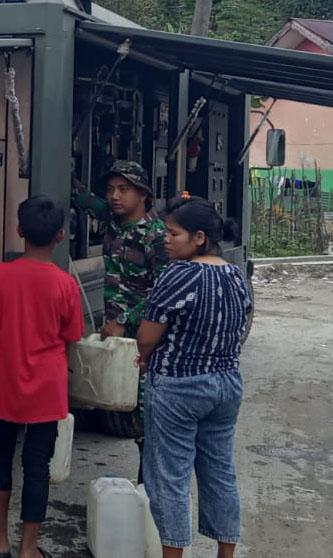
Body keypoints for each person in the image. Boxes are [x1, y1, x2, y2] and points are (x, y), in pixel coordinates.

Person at [0, 195, 84, 558]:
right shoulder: (66, 285)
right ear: (60, 236)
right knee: (37, 465)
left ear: (18, 230)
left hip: (6, 385)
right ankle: (29, 549)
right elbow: (71, 339)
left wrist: (6, 362)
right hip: (48, 389)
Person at [136, 196, 252, 558]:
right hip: (226, 384)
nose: (165, 239)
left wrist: (145, 357)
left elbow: (147, 336)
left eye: (173, 233)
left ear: (199, 237)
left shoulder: (179, 275)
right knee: (219, 473)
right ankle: (225, 554)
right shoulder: (234, 272)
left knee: (170, 477)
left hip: (179, 386)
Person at [72, 160, 169, 480]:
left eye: (123, 190)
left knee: (144, 414)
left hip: (145, 337)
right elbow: (84, 199)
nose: (114, 196)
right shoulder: (113, 220)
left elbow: (165, 293)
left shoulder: (156, 237)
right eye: (111, 189)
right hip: (118, 336)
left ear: (143, 194)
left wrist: (125, 320)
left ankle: (150, 489)